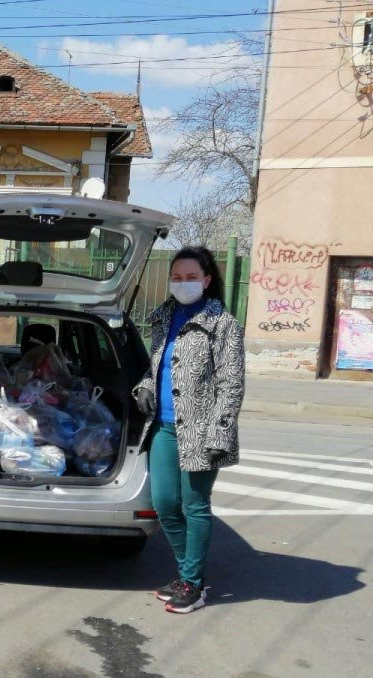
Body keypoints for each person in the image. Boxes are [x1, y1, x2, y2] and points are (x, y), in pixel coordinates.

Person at [133, 246, 244, 614]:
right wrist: (145, 387)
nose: (183, 284)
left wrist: (220, 433)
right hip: (163, 427)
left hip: (201, 429)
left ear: (207, 280)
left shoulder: (223, 324)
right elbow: (155, 366)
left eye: (191, 277)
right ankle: (186, 573)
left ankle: (193, 584)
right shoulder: (163, 316)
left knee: (194, 506)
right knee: (165, 504)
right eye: (177, 278)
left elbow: (231, 384)